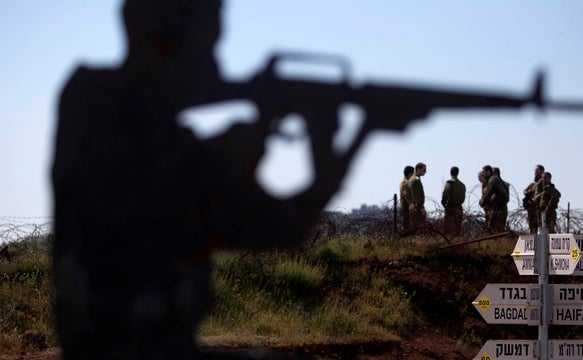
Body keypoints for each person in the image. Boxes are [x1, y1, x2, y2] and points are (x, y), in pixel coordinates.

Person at [51, 1, 361, 358]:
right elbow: (272, 224)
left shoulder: (98, 107)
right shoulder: (100, 106)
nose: (215, 61)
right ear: (164, 36)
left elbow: (281, 226)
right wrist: (276, 137)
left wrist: (318, 142)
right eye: (207, 41)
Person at [479, 166, 509, 233]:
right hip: (500, 208)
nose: (483, 174)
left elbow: (488, 192)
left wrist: (482, 202)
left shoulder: (493, 179)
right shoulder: (497, 180)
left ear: (488, 172)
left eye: (484, 172)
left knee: (493, 230)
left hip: (497, 209)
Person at [441, 166, 466, 236]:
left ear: (450, 173)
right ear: (458, 173)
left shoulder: (449, 183)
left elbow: (445, 195)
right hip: (459, 208)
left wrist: (444, 204)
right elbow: (463, 199)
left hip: (451, 209)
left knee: (448, 230)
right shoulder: (462, 185)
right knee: (457, 229)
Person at [523, 164, 545, 233]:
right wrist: (527, 192)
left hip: (539, 209)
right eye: (535, 171)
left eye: (537, 170)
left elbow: (546, 192)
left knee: (540, 227)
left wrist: (536, 198)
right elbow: (524, 191)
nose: (535, 172)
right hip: (531, 208)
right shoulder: (533, 184)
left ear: (542, 171)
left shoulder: (543, 182)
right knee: (532, 227)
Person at [408, 162, 427, 232]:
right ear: (418, 169)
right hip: (417, 208)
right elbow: (417, 197)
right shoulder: (416, 180)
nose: (425, 172)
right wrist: (421, 208)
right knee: (420, 230)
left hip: (414, 207)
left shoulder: (412, 179)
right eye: (424, 170)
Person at [399, 165, 415, 234]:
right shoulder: (405, 182)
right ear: (410, 173)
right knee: (407, 226)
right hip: (406, 207)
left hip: (404, 207)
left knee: (406, 224)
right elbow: (406, 195)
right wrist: (412, 206)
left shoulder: (403, 181)